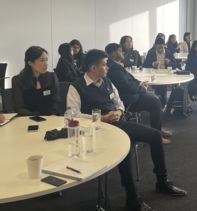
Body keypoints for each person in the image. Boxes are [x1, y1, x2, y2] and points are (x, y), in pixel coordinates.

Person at [66, 49, 187, 211]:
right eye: (104, 64)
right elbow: (71, 116)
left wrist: (119, 111)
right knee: (125, 149)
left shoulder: (107, 81)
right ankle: (132, 199)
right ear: (92, 68)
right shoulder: (76, 87)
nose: (107, 67)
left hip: (119, 124)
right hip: (98, 131)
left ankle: (162, 182)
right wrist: (100, 119)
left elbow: (119, 101)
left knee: (155, 136)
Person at [105, 43, 172, 144]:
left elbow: (130, 79)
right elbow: (126, 87)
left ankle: (158, 129)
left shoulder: (115, 65)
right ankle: (157, 135)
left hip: (132, 93)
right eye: (120, 50)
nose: (122, 52)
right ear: (114, 53)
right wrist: (142, 89)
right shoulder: (114, 68)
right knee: (155, 102)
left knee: (154, 99)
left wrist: (140, 83)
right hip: (128, 99)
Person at [12, 46, 61, 116]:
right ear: (30, 63)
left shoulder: (51, 76)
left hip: (51, 118)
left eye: (46, 60)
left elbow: (57, 101)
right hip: (28, 119)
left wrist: (52, 115)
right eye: (42, 60)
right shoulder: (18, 80)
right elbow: (19, 107)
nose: (46, 63)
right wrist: (36, 117)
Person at [143, 37, 177, 107]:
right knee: (160, 85)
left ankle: (160, 102)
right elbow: (145, 65)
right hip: (154, 74)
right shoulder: (151, 52)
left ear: (164, 45)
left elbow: (175, 65)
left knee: (162, 85)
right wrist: (153, 64)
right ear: (155, 46)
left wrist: (169, 62)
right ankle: (161, 102)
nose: (160, 49)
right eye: (158, 48)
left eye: (162, 47)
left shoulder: (168, 52)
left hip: (166, 74)